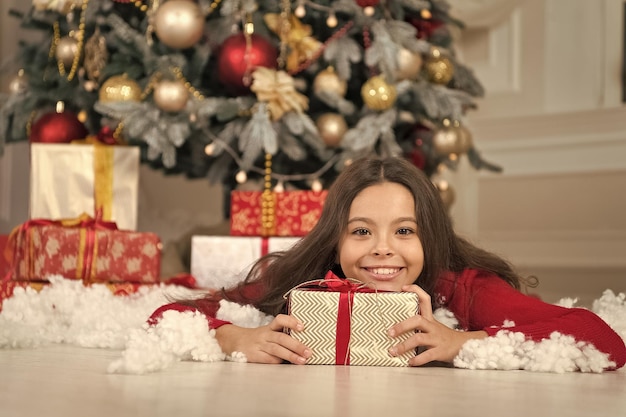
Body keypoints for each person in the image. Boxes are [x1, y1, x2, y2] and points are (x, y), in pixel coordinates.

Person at [150, 156, 626, 369]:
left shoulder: (463, 289)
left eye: (404, 231)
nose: (382, 249)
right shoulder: (306, 284)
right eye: (361, 231)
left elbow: (602, 340)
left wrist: (465, 341)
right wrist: (235, 336)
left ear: (429, 238)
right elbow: (168, 317)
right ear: (335, 244)